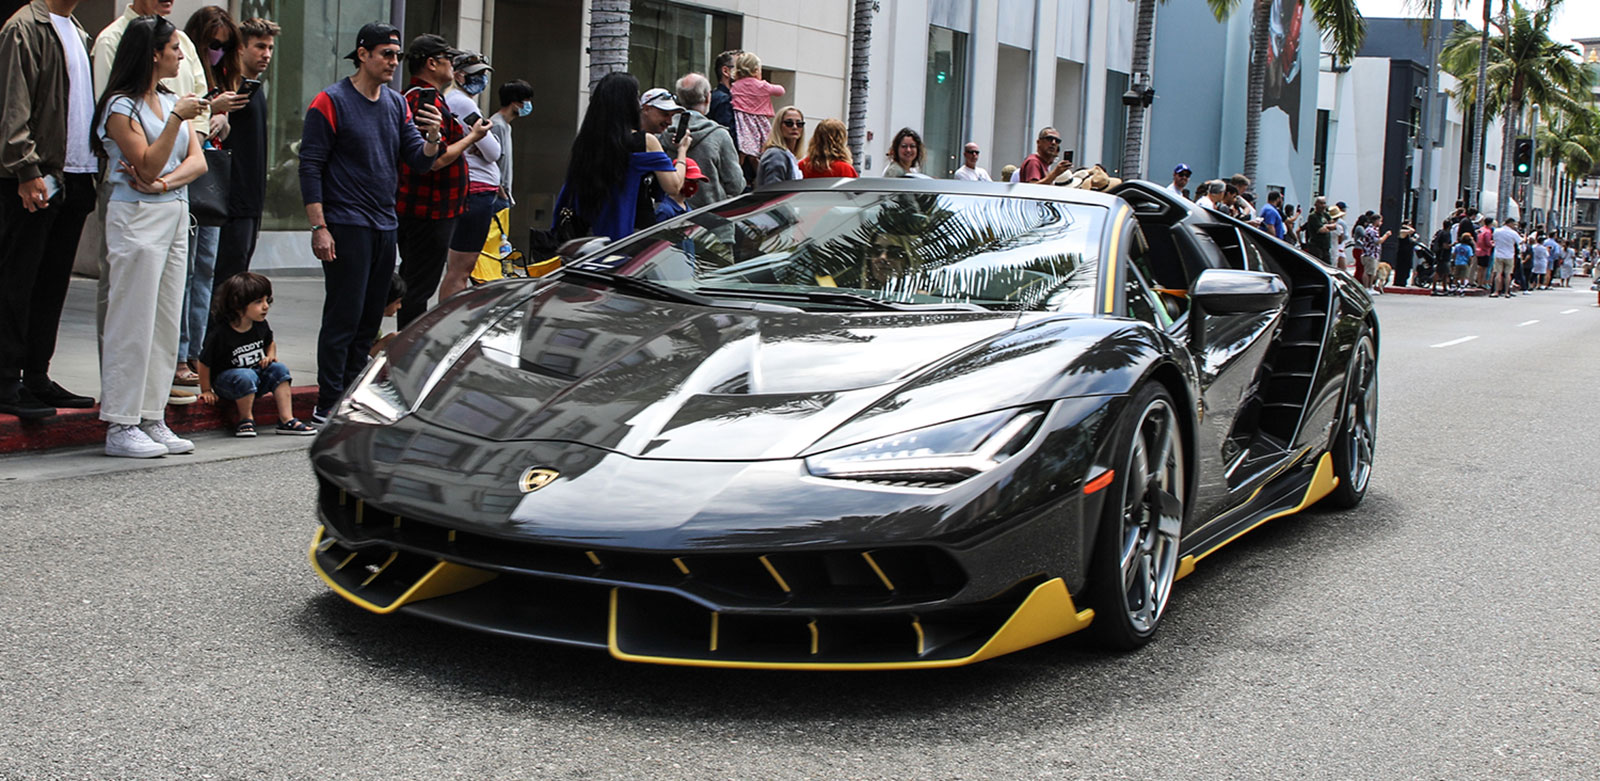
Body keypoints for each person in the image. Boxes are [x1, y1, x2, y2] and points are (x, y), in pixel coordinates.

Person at [299, 22, 443, 423]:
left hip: (384, 224)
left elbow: (418, 158)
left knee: (368, 319)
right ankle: (327, 401)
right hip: (345, 222)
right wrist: (319, 226)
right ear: (362, 54)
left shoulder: (397, 104)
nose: (393, 63)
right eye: (386, 54)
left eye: (396, 55)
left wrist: (432, 137)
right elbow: (310, 166)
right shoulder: (331, 101)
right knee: (343, 315)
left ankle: (349, 395)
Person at [92, 14, 207, 457]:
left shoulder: (170, 98)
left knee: (164, 321)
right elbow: (147, 162)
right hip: (135, 217)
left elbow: (199, 164)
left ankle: (151, 415)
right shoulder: (121, 107)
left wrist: (162, 184)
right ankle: (120, 424)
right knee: (132, 319)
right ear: (154, 53)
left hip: (172, 211)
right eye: (175, 48)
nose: (181, 55)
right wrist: (177, 121)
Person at [0, 0, 99, 419]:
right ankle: (6, 381)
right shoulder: (24, 27)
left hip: (75, 175)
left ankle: (36, 376)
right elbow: (13, 105)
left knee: (52, 285)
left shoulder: (77, 31)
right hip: (37, 175)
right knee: (16, 282)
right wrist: (26, 168)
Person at [174, 5, 248, 392]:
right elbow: (181, 124)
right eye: (212, 45)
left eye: (224, 45)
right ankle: (179, 352)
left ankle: (196, 350)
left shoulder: (223, 73)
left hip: (211, 174)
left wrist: (223, 117)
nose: (217, 51)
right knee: (184, 271)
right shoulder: (184, 66)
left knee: (205, 270)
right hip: (188, 172)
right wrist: (210, 110)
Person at [393, 34, 487, 330]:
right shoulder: (425, 99)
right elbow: (435, 159)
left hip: (422, 207)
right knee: (418, 287)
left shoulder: (414, 96)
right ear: (431, 64)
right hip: (428, 210)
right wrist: (473, 137)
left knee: (415, 282)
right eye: (448, 59)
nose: (453, 66)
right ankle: (409, 351)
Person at [554, 73, 686, 242]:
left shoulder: (585, 142)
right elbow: (673, 186)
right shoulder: (644, 142)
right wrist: (682, 151)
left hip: (585, 234)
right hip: (629, 234)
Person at [196, 271, 314, 437]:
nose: (265, 306)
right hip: (229, 383)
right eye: (258, 302)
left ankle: (287, 419)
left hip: (255, 378)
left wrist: (270, 356)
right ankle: (245, 419)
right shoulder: (221, 334)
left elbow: (270, 342)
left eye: (267, 300)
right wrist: (207, 389)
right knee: (246, 375)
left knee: (279, 369)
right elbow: (204, 362)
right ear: (238, 305)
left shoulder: (260, 325)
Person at [214, 16, 278, 286]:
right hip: (231, 201)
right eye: (260, 47)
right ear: (240, 47)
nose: (266, 54)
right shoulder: (229, 86)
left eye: (270, 48)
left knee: (239, 272)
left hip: (251, 200)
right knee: (226, 276)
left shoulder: (256, 88)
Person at [437, 50, 502, 302]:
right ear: (458, 75)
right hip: (476, 192)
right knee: (460, 271)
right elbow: (493, 151)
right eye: (474, 75)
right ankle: (448, 326)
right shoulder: (463, 103)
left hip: (470, 190)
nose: (481, 79)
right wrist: (480, 140)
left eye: (483, 74)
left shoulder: (452, 100)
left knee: (456, 270)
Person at [668, 72, 743, 208]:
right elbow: (736, 185)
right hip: (712, 218)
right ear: (708, 97)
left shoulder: (663, 133)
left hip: (670, 217)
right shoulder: (719, 135)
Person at [729, 51, 783, 161]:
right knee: (763, 148)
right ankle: (760, 173)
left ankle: (738, 170)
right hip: (759, 120)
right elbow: (781, 91)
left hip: (742, 120)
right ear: (756, 70)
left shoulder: (735, 85)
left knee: (745, 150)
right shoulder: (762, 86)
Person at [490, 78, 531, 209]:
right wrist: (502, 193)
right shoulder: (497, 125)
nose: (529, 105)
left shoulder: (506, 126)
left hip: (502, 194)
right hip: (497, 196)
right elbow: (492, 161)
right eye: (526, 101)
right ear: (514, 103)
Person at [756, 106, 805, 187]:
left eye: (799, 124)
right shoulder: (776, 155)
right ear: (779, 126)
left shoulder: (789, 155)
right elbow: (773, 191)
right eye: (789, 123)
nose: (795, 127)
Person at [654, 157, 706, 223]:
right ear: (678, 180)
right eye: (690, 181)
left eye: (696, 182)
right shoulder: (665, 210)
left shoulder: (687, 208)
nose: (694, 185)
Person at [707, 49, 738, 145]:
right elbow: (728, 139)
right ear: (726, 71)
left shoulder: (716, 96)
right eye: (741, 68)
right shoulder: (724, 100)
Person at [1489, 217, 1520, 297]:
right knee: (1508, 274)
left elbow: (1494, 240)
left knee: (1498, 273)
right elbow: (1520, 241)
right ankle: (1506, 292)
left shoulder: (1497, 231)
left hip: (1498, 254)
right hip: (1509, 255)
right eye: (1513, 224)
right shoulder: (1513, 233)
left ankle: (1496, 291)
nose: (1514, 226)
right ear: (1509, 223)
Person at [1302, 197, 1332, 264]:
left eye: (1324, 203)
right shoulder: (1313, 216)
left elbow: (1334, 225)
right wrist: (1327, 227)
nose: (1323, 206)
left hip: (1326, 247)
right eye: (1321, 203)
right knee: (1318, 264)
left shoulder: (1325, 215)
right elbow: (1321, 230)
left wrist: (1326, 226)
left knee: (1328, 265)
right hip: (1316, 247)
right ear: (1316, 204)